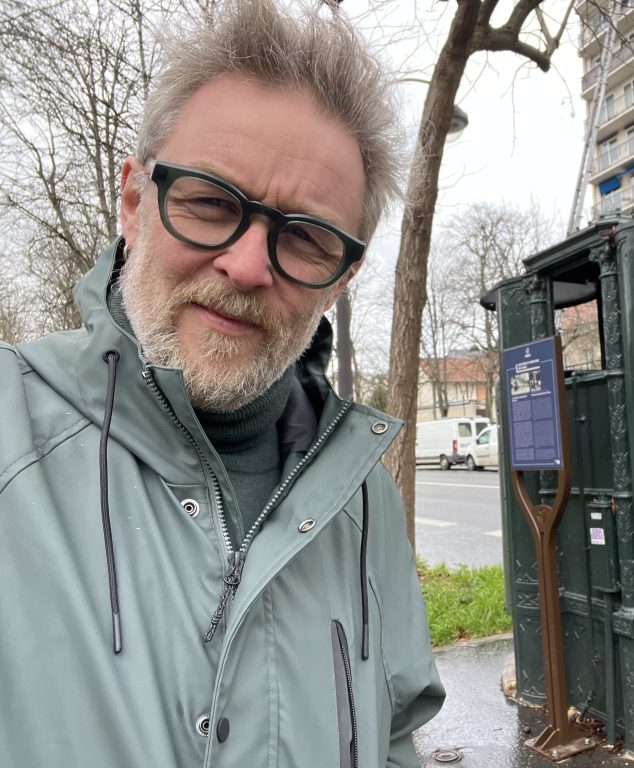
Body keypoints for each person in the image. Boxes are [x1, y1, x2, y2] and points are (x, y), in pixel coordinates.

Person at [0, 1, 444, 766]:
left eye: (304, 237)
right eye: (210, 202)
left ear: (341, 279)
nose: (245, 265)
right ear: (134, 202)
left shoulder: (362, 493)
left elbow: (394, 732)